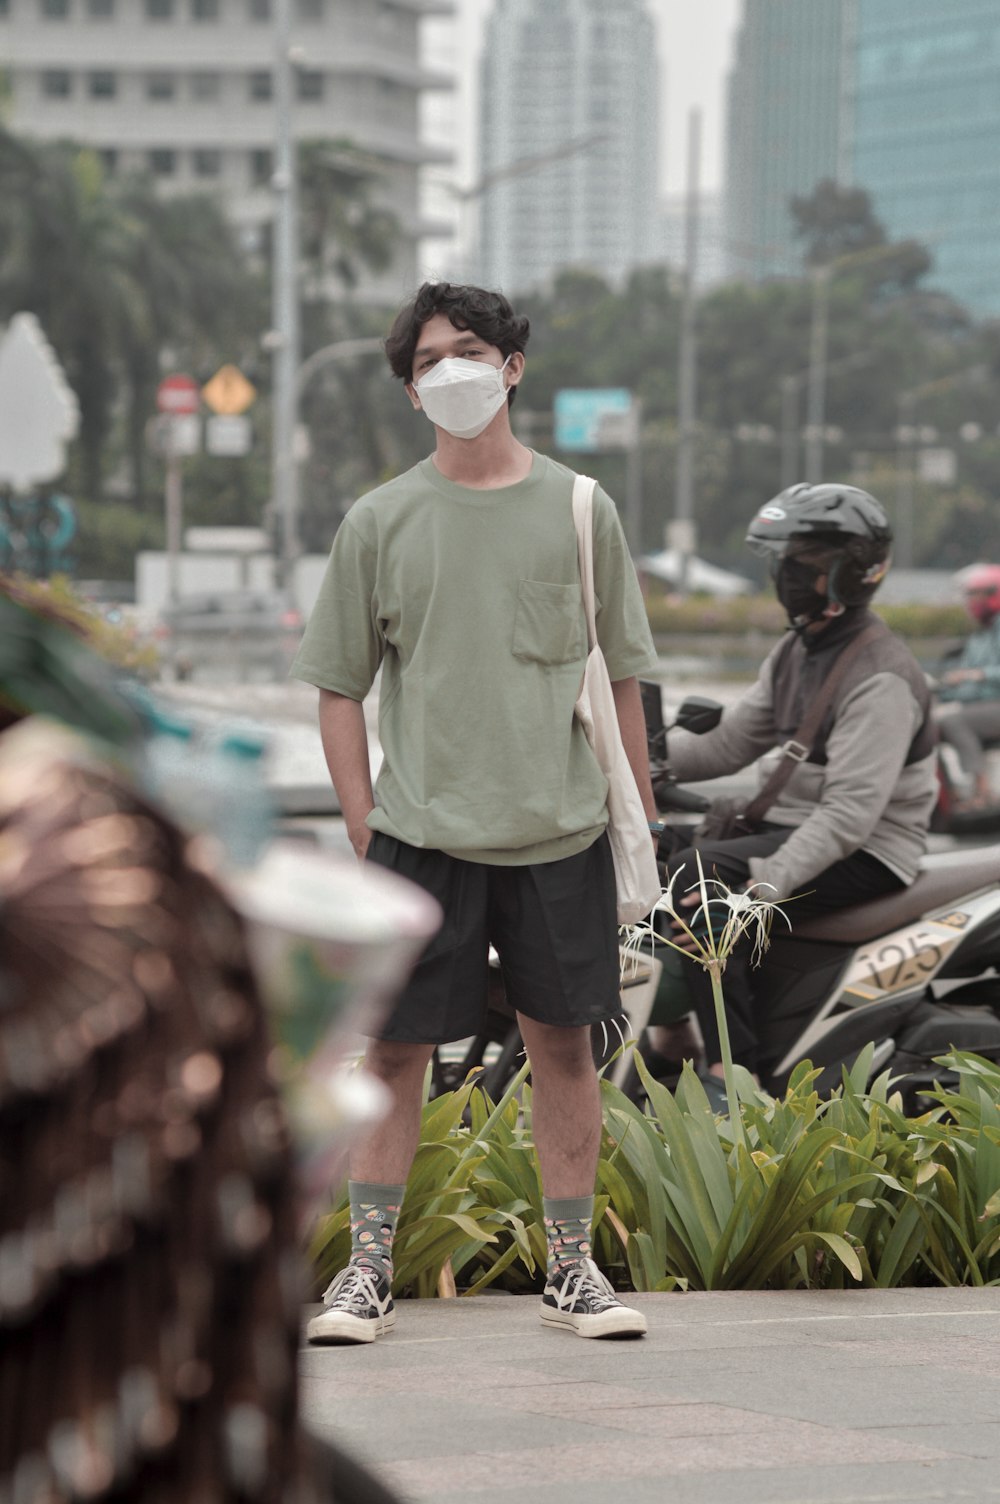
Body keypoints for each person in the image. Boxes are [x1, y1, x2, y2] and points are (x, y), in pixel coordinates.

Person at [290, 281, 659, 1343]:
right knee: (395, 1054)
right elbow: (336, 687)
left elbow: (626, 676)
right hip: (419, 836)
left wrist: (641, 820)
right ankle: (364, 1276)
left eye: (469, 350)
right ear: (410, 391)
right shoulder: (381, 520)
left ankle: (572, 1272)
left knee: (564, 1049)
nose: (450, 370)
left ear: (512, 366)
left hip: (560, 833)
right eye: (428, 360)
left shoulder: (582, 509)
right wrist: (364, 826)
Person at [656, 483, 938, 1108]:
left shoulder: (881, 676)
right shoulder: (797, 648)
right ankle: (666, 1036)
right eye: (781, 561)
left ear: (850, 576)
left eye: (803, 564)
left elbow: (848, 817)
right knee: (650, 847)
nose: (784, 574)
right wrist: (627, 749)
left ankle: (741, 1078)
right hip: (796, 827)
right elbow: (728, 744)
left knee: (701, 875)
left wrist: (759, 890)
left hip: (871, 850)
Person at [934, 563, 1000, 808]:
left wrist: (979, 674)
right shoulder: (978, 637)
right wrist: (946, 688)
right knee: (932, 721)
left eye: (976, 594)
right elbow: (964, 682)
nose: (971, 601)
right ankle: (945, 795)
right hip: (982, 706)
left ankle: (981, 793)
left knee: (954, 721)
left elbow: (977, 676)